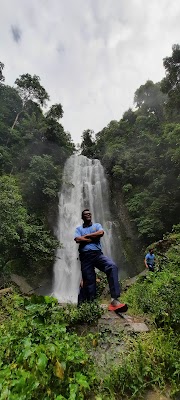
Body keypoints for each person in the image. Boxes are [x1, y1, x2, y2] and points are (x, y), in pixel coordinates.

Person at [74, 209, 127, 311]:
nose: (88, 215)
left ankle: (115, 300)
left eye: (89, 214)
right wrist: (92, 238)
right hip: (85, 257)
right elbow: (77, 239)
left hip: (97, 255)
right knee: (89, 280)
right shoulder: (78, 229)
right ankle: (91, 306)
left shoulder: (97, 225)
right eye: (85, 214)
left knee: (112, 267)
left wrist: (86, 236)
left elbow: (101, 233)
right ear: (82, 217)